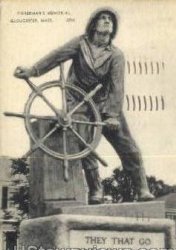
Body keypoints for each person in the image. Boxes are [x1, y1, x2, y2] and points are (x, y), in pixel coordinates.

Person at [14, 7, 154, 204]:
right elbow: (56, 56)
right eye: (103, 18)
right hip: (78, 101)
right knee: (83, 143)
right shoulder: (80, 44)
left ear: (113, 28)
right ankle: (96, 190)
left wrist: (112, 114)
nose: (107, 21)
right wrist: (32, 70)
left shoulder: (116, 55)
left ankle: (142, 189)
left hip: (106, 104)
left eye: (110, 20)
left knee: (127, 145)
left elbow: (117, 87)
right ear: (94, 24)